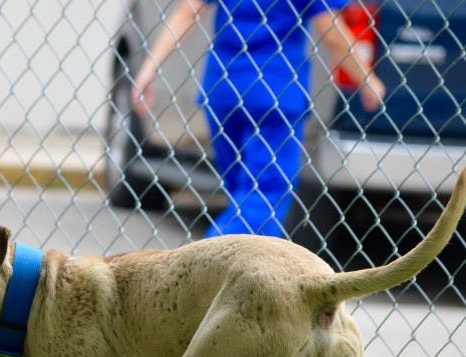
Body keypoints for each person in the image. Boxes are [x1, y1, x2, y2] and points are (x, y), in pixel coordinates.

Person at [132, 0, 386, 238]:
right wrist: (368, 79)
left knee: (240, 192)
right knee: (265, 194)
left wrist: (148, 69)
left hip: (224, 88)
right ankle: (206, 265)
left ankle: (227, 272)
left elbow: (187, 11)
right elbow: (330, 31)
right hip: (274, 90)